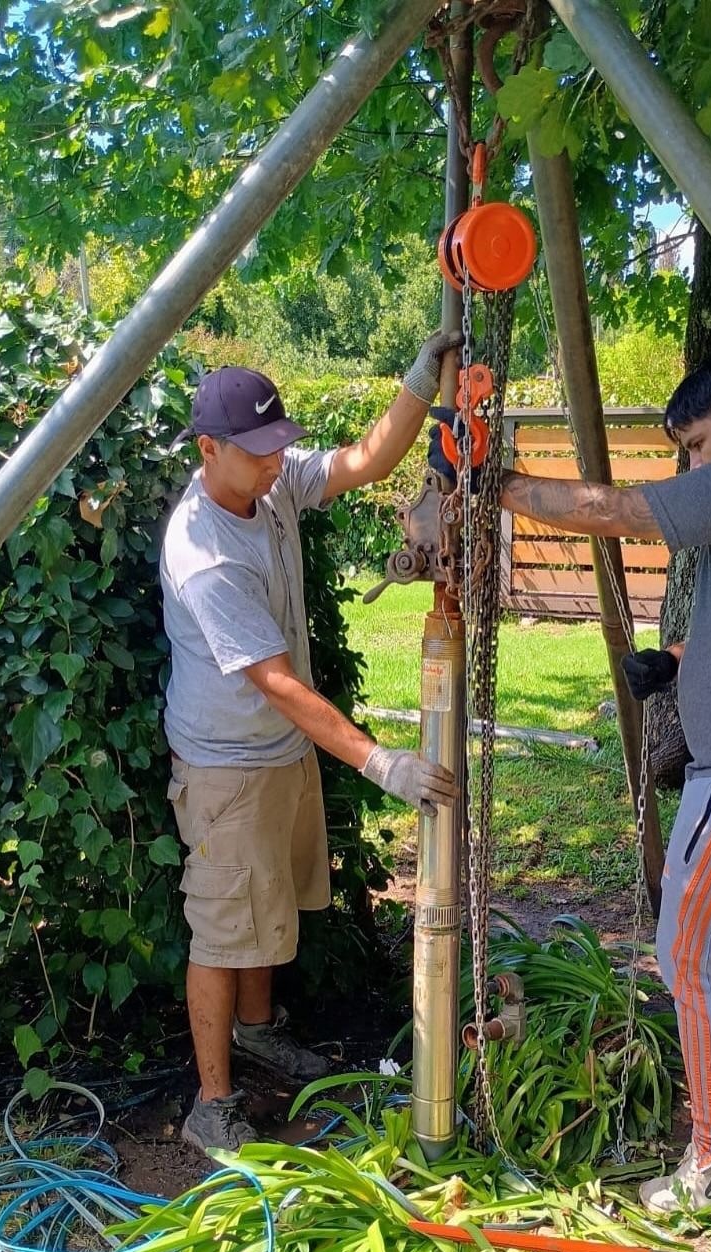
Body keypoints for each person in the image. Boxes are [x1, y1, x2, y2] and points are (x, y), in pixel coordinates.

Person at [434, 350, 711, 1212]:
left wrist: (492, 478)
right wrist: (680, 658)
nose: (691, 466)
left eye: (698, 443)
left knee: (691, 951)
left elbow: (611, 508)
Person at [162, 336, 461, 1155]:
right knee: (224, 929)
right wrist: (380, 762)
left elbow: (364, 461)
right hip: (227, 764)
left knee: (265, 910)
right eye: (256, 452)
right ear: (208, 449)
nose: (274, 464)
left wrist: (416, 381)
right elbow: (280, 684)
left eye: (278, 447)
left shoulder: (269, 483)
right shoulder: (204, 553)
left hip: (278, 754)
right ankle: (212, 1104)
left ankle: (258, 1031)